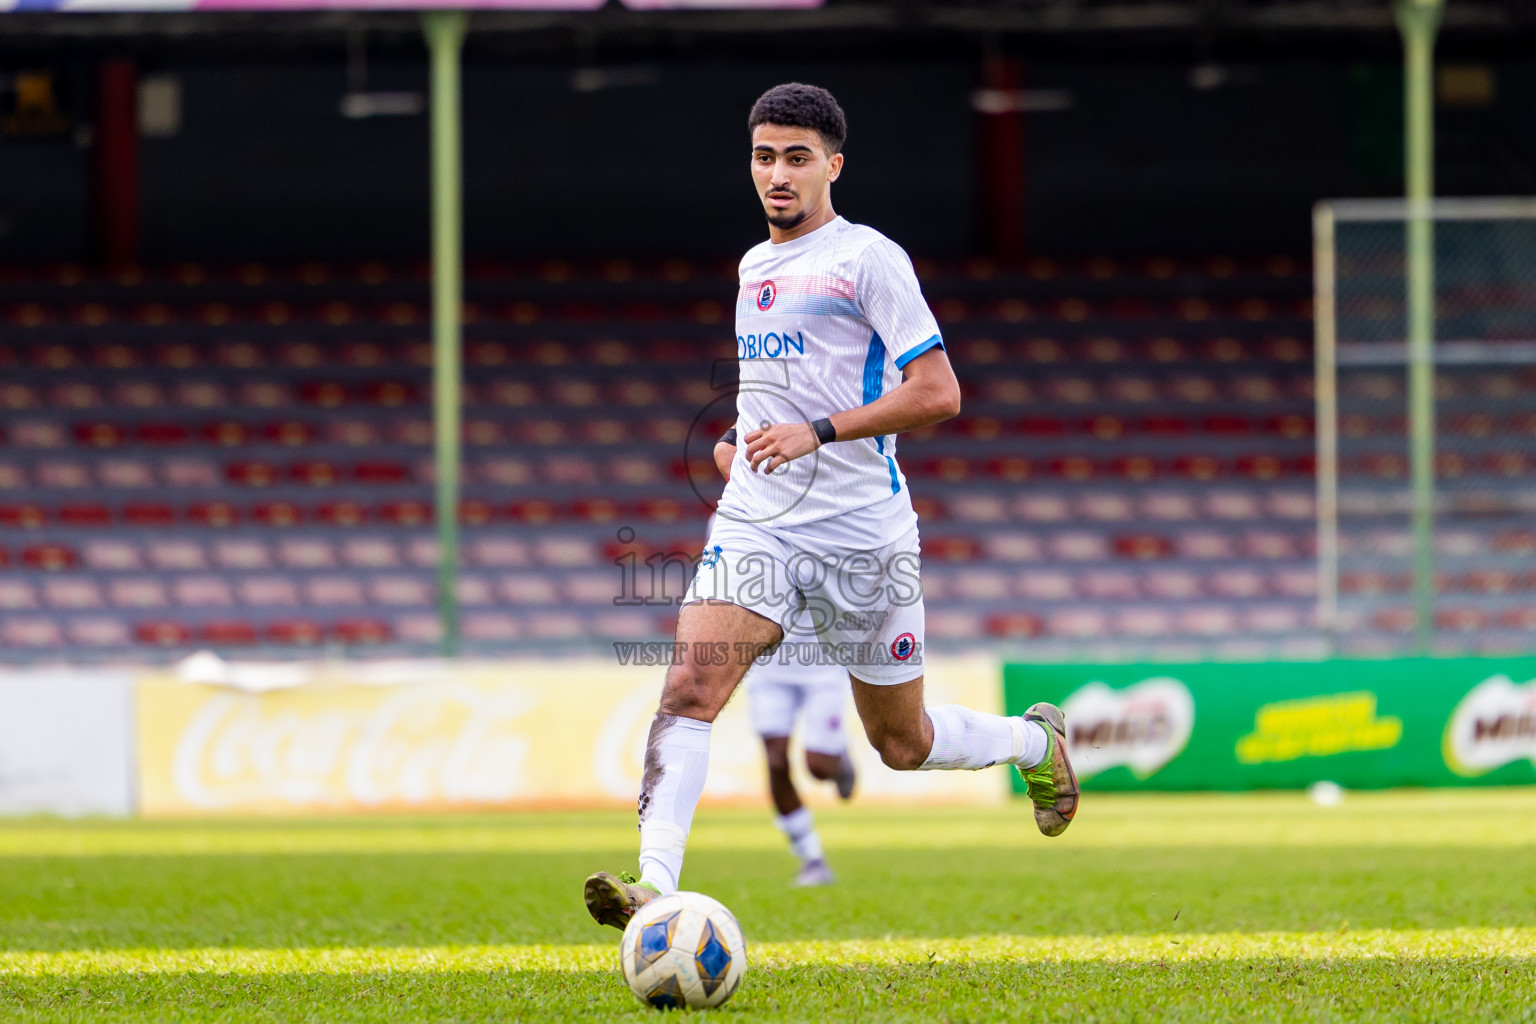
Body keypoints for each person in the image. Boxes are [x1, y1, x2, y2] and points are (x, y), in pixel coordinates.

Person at [584, 82, 1077, 929]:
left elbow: (939, 392)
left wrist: (818, 432)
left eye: (797, 158)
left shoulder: (869, 259)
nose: (777, 174)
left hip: (862, 533)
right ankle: (654, 888)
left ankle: (1035, 742)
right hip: (758, 519)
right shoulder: (751, 266)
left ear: (833, 166)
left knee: (900, 743)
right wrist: (743, 445)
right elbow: (774, 387)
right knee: (689, 690)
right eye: (763, 157)